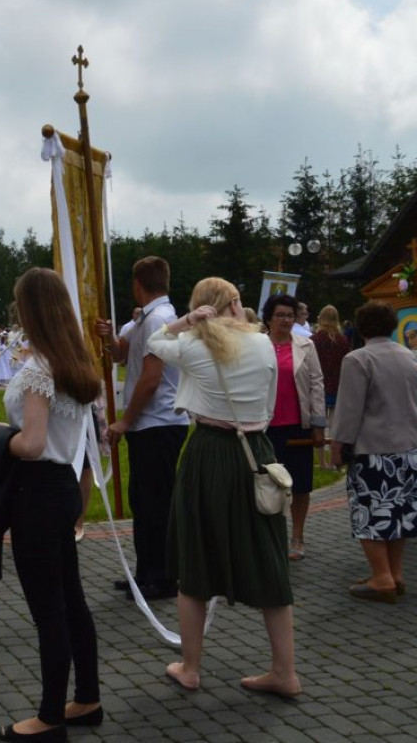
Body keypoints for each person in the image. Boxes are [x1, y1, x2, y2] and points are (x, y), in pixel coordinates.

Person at [148, 277, 300, 698]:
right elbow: (268, 403)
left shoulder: (193, 347)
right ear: (235, 305)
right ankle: (284, 671)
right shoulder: (264, 342)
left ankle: (191, 667)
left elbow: (155, 342)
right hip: (257, 448)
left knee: (194, 556)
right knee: (269, 558)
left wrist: (185, 321)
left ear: (203, 308)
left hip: (211, 451)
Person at [0, 269, 103, 742]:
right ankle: (88, 697)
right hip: (61, 487)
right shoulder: (71, 363)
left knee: (49, 608)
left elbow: (33, 444)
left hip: (37, 490)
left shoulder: (40, 369)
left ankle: (50, 714)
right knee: (71, 600)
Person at [95, 256, 189, 600]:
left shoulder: (159, 320)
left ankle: (162, 577)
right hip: (150, 424)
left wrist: (125, 420)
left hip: (158, 423)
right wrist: (108, 339)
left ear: (137, 284)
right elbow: (122, 354)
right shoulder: (147, 320)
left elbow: (150, 381)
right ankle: (146, 572)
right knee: (144, 501)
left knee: (155, 504)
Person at [330, 301, 417, 604]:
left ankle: (381, 578)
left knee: (369, 514)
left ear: (362, 326)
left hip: (373, 451)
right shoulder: (409, 356)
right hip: (408, 450)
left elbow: (349, 410)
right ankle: (395, 573)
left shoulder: (358, 359)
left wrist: (338, 446)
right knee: (399, 514)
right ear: (393, 325)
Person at [261, 294, 325, 562]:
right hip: (265, 427)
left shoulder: (306, 345)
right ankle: (269, 537)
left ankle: (297, 536)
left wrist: (318, 424)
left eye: (290, 315)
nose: (286, 320)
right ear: (268, 318)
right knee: (267, 486)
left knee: (300, 486)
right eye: (280, 315)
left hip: (298, 426)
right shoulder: (257, 345)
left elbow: (316, 384)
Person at [310, 305, 351, 470]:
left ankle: (322, 461)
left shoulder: (315, 339)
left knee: (319, 425)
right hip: (337, 384)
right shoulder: (343, 339)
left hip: (319, 385)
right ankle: (335, 459)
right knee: (335, 424)